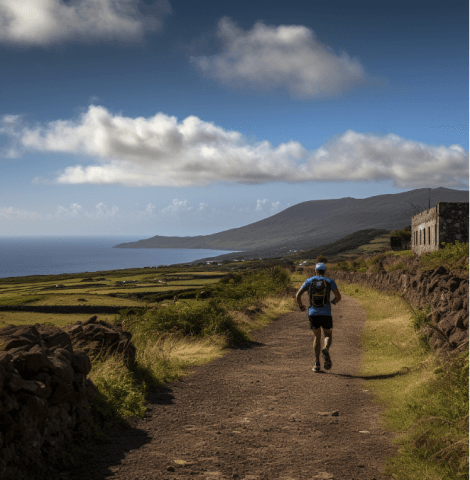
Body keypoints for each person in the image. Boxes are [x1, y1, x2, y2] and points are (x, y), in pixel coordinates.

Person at [295, 262, 342, 372]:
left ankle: (316, 364)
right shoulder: (330, 281)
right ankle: (325, 348)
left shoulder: (309, 281)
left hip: (313, 313)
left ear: (315, 271)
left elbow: (297, 295)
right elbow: (338, 297)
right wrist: (333, 302)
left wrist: (301, 307)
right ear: (324, 271)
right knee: (328, 335)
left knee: (316, 337)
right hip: (326, 313)